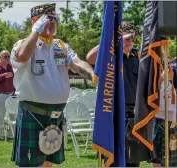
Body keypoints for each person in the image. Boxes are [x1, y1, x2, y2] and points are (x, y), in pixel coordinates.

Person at [10, 3, 95, 167]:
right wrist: (36, 31)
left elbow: (77, 63)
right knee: (31, 165)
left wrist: (92, 74)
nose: (52, 21)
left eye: (54, 18)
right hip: (33, 112)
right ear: (35, 21)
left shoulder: (60, 46)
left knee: (48, 163)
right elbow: (21, 56)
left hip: (56, 114)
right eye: (48, 18)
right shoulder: (22, 44)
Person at [86, 21, 142, 167]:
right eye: (125, 36)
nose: (128, 40)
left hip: (134, 114)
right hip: (114, 113)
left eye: (131, 36)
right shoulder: (110, 56)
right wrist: (110, 39)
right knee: (113, 158)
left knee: (133, 158)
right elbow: (90, 58)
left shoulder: (138, 55)